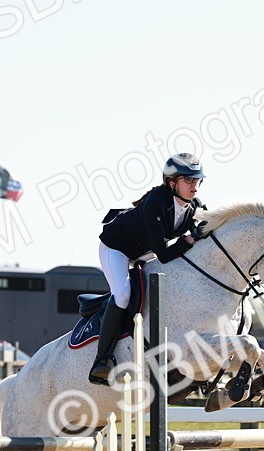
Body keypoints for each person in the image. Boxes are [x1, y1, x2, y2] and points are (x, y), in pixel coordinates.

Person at [88, 153, 207, 385]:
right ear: (172, 183)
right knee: (122, 294)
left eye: (198, 181)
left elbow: (203, 231)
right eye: (189, 180)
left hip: (145, 252)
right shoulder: (155, 202)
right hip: (117, 248)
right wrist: (190, 239)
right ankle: (101, 361)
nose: (195, 186)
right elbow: (164, 254)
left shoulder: (196, 207)